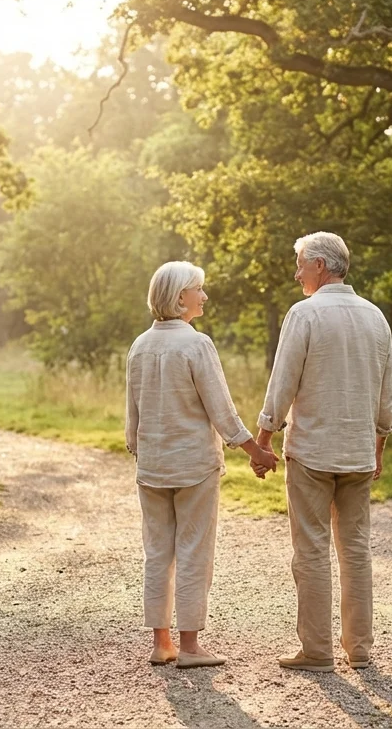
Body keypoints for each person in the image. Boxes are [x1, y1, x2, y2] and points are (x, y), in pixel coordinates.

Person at [125, 261, 280, 669]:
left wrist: (138, 449)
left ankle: (162, 644)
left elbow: (132, 416)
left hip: (152, 467)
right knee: (193, 552)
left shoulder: (140, 345)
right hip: (193, 467)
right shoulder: (196, 344)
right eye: (199, 289)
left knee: (157, 552)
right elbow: (222, 412)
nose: (204, 296)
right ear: (181, 297)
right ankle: (190, 648)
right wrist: (256, 452)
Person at [254, 232, 392, 672]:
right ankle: (360, 649)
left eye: (300, 263)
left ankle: (316, 652)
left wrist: (264, 437)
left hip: (312, 452)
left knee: (312, 550)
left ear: (320, 265)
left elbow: (283, 382)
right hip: (357, 453)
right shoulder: (375, 317)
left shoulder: (305, 314)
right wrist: (379, 443)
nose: (296, 272)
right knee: (356, 550)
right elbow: (386, 391)